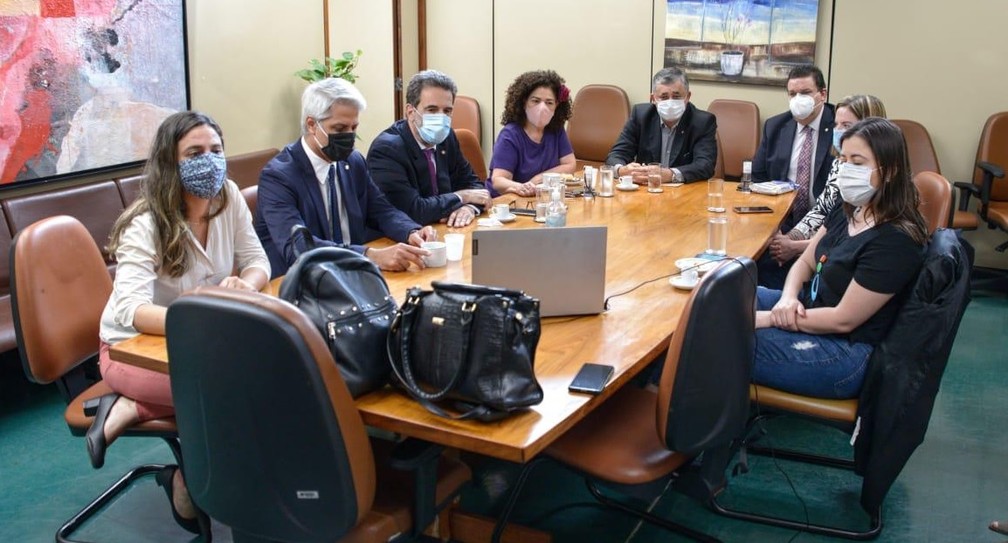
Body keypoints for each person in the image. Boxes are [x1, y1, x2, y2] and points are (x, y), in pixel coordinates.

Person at [90, 111, 271, 535]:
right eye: (194, 153)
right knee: (224, 391)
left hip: (205, 341)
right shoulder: (146, 222)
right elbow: (129, 311)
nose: (209, 161)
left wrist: (246, 285)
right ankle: (189, 480)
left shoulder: (226, 195)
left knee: (263, 376)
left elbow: (258, 260)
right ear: (170, 163)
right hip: (132, 350)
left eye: (216, 151)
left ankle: (136, 408)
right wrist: (194, 318)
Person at [753, 117, 928, 399]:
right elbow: (806, 263)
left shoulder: (895, 241)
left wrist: (770, 319)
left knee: (724, 338)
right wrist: (786, 298)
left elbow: (842, 320)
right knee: (716, 301)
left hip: (844, 352)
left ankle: (693, 427)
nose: (846, 170)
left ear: (890, 171)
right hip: (808, 309)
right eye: (843, 160)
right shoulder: (849, 208)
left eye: (857, 162)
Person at [255, 77, 435, 277]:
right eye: (340, 129)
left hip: (353, 275)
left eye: (354, 128)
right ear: (312, 125)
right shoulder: (278, 177)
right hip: (300, 284)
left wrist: (411, 231)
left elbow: (381, 210)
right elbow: (298, 248)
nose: (349, 136)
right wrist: (370, 255)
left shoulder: (353, 161)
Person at [767, 95, 888, 268]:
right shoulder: (840, 162)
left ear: (871, 127)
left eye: (847, 126)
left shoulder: (878, 176)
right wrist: (789, 239)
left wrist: (794, 247)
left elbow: (849, 240)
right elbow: (823, 209)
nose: (838, 131)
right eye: (836, 125)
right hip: (820, 252)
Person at [367, 70, 490, 227]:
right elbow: (413, 211)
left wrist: (469, 208)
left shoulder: (448, 138)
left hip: (445, 231)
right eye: (432, 110)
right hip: (400, 241)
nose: (441, 117)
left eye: (447, 111)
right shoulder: (387, 149)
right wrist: (462, 197)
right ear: (411, 112)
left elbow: (475, 186)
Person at [752, 64, 836, 288]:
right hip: (782, 223)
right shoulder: (776, 126)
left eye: (806, 93)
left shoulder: (839, 126)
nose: (798, 99)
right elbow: (759, 179)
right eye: (792, 94)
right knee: (749, 267)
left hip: (826, 226)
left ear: (823, 94)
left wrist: (795, 242)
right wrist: (775, 228)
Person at [605, 67, 717, 184]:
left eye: (676, 96)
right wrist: (622, 170)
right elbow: (616, 154)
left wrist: (671, 174)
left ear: (687, 97)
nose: (670, 102)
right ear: (653, 99)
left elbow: (705, 166)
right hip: (645, 191)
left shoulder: (703, 122)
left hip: (684, 193)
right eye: (663, 97)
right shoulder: (641, 115)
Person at [488, 69, 576, 197]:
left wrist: (538, 179)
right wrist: (524, 186)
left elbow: (570, 165)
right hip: (506, 202)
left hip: (539, 198)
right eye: (535, 101)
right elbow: (499, 181)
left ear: (556, 105)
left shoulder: (556, 129)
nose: (542, 108)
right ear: (524, 102)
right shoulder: (510, 135)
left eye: (549, 103)